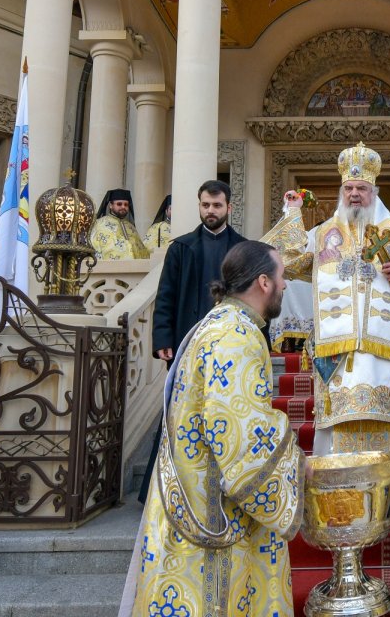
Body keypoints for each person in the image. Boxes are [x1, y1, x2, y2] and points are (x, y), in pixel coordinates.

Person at [121, 241, 304, 616]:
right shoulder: (237, 337)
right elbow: (238, 434)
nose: (286, 285)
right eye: (283, 276)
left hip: (190, 495)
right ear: (264, 282)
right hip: (213, 515)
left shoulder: (215, 323)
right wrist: (298, 466)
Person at [263, 141, 390, 455]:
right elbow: (287, 260)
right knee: (336, 425)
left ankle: (382, 483)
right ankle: (335, 484)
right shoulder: (324, 233)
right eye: (349, 188)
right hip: (336, 352)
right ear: (342, 192)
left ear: (374, 193)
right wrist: (293, 213)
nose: (355, 194)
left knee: (379, 419)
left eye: (362, 188)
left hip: (379, 352)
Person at [138, 180, 246, 503]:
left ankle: (227, 491)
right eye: (205, 205)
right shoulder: (181, 248)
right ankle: (168, 490)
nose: (210, 211)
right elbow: (165, 296)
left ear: (229, 207)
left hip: (229, 348)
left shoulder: (243, 250)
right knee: (180, 415)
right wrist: (162, 338)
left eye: (217, 205)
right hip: (187, 344)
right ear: (199, 206)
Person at [91, 187, 150, 260]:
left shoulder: (131, 227)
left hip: (134, 266)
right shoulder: (99, 225)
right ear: (111, 205)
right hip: (108, 266)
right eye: (119, 204)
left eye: (126, 204)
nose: (123, 207)